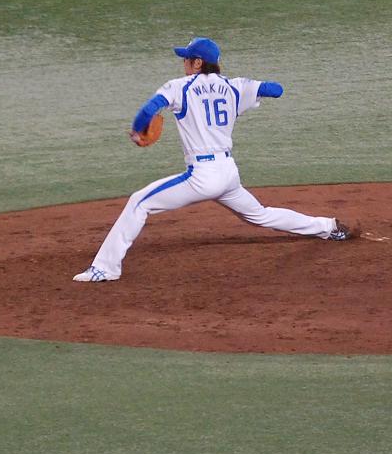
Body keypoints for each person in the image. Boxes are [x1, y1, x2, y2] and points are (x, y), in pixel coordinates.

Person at [73, 37, 355, 282]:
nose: (183, 64)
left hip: (202, 176)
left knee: (139, 202)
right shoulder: (234, 87)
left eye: (186, 59)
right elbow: (276, 89)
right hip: (228, 174)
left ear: (197, 63)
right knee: (261, 215)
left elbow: (149, 110)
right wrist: (246, 88)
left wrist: (137, 132)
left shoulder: (179, 87)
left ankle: (105, 268)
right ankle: (328, 227)